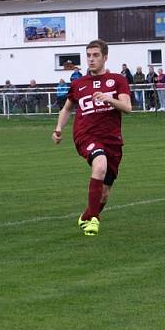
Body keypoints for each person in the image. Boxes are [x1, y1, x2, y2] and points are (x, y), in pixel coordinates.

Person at [52, 39, 132, 236]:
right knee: (100, 165)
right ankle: (94, 220)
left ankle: (87, 215)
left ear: (105, 57)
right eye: (88, 55)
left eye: (96, 55)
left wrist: (109, 98)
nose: (91, 59)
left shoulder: (118, 80)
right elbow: (67, 109)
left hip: (112, 140)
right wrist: (58, 129)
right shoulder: (78, 84)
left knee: (104, 194)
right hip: (86, 135)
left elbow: (128, 108)